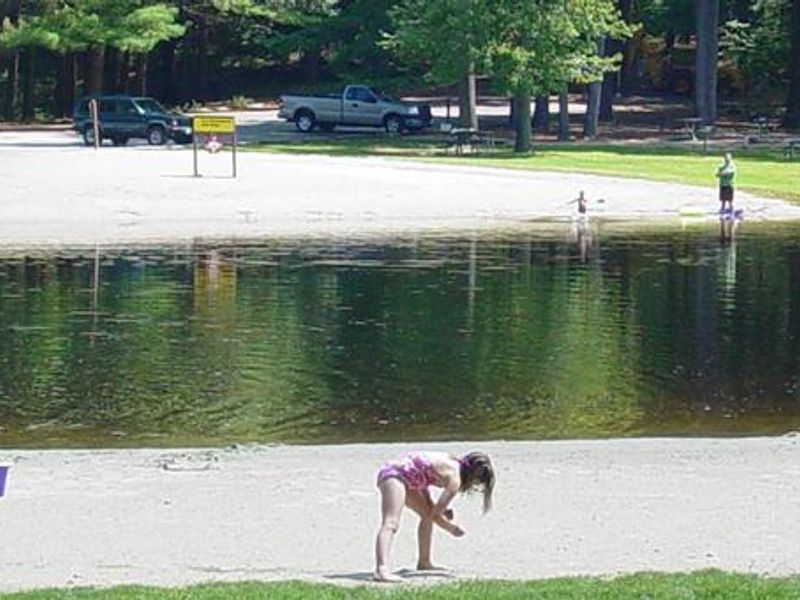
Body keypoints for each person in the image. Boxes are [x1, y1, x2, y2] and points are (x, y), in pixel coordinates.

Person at [373, 450, 495, 582]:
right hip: (394, 476)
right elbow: (436, 516)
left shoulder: (452, 462)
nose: (472, 487)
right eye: (476, 483)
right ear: (473, 476)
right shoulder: (455, 480)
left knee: (426, 515)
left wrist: (441, 511)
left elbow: (432, 511)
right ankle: (381, 569)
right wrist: (451, 528)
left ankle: (424, 562)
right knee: (391, 522)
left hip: (412, 478)